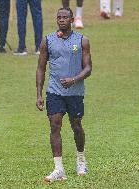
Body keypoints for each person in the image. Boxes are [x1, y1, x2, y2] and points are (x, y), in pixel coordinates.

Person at [36, 7, 92, 182]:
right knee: (55, 125)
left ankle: (81, 159)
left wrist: (74, 79)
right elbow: (40, 68)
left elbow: (88, 68)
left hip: (75, 93)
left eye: (64, 17)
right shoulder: (48, 41)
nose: (61, 20)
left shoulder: (82, 40)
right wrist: (39, 94)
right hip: (54, 91)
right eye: (58, 17)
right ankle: (59, 169)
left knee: (76, 126)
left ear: (72, 20)